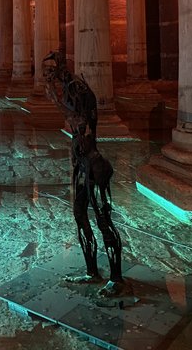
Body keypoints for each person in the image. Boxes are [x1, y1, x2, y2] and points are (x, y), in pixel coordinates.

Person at [42, 51, 126, 299]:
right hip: (81, 164)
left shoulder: (77, 89)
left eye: (50, 73)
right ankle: (92, 272)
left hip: (94, 165)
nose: (48, 78)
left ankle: (116, 278)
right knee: (79, 215)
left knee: (103, 220)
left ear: (60, 68)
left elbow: (83, 122)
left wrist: (56, 98)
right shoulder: (68, 90)